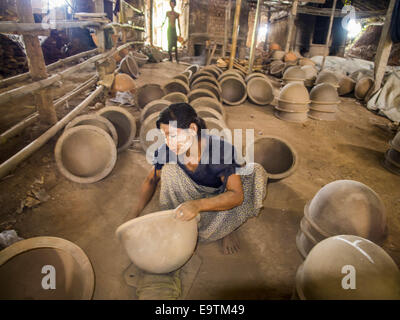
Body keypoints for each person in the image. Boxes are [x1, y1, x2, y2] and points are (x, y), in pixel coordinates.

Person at [130, 103, 268, 254]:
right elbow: (151, 180)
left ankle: (228, 228)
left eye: (173, 135)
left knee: (256, 173)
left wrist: (197, 205)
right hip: (192, 191)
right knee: (168, 170)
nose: (169, 142)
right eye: (165, 136)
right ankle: (179, 223)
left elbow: (236, 195)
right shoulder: (168, 150)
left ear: (193, 130)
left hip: (220, 193)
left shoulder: (219, 151)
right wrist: (134, 212)